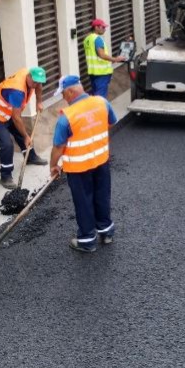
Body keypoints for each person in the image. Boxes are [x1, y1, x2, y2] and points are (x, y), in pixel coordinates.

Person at [50, 75, 118, 253]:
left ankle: (87, 240)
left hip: (79, 168)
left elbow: (58, 146)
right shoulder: (101, 102)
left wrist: (54, 166)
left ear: (71, 91)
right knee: (102, 195)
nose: (63, 98)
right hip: (101, 160)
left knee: (84, 201)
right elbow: (111, 122)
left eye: (63, 94)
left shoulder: (67, 117)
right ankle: (106, 231)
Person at [0, 67, 47, 189]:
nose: (36, 84)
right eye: (34, 81)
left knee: (20, 132)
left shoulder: (32, 79)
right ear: (28, 76)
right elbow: (16, 117)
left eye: (39, 82)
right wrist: (26, 136)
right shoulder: (17, 90)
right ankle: (5, 176)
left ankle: (30, 157)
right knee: (7, 144)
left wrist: (39, 102)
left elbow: (38, 87)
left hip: (9, 112)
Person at [83, 18, 127, 98]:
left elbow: (94, 55)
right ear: (96, 27)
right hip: (101, 73)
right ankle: (102, 110)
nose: (105, 29)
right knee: (101, 98)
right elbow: (101, 55)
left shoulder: (87, 39)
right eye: (103, 27)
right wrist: (116, 59)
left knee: (95, 96)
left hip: (93, 72)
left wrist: (110, 61)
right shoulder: (97, 39)